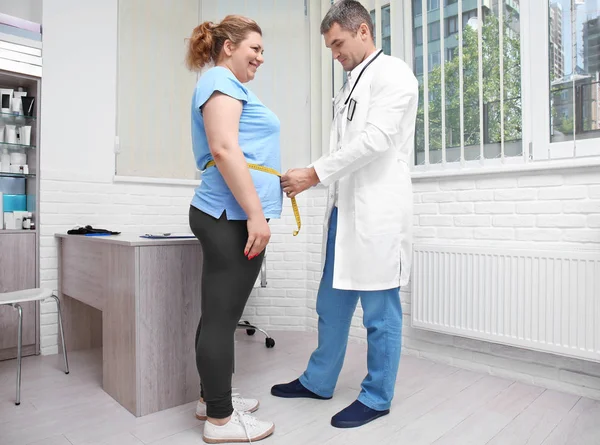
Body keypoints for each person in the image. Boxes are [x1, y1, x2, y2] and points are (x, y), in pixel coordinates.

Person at [272, 0, 418, 429]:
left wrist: (312, 174)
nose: (335, 55)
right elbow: (345, 150)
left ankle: (376, 397)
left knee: (380, 311)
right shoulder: (352, 84)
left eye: (338, 45)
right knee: (330, 306)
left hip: (377, 215)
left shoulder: (395, 75)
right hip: (344, 212)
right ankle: (318, 381)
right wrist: (319, 178)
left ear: (364, 31)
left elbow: (375, 141)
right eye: (331, 49)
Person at [185, 15, 281, 443]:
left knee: (217, 315)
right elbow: (224, 148)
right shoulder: (219, 81)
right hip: (230, 216)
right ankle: (220, 421)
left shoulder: (226, 84)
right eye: (254, 49)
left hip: (225, 213)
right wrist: (256, 215)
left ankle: (212, 400)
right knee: (223, 319)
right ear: (228, 47)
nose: (261, 57)